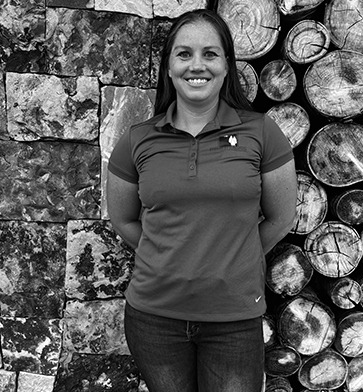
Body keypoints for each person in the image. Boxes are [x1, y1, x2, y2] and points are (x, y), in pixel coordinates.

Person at [107, 8, 297, 392]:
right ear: (169, 67)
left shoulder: (261, 132)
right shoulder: (137, 139)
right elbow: (124, 220)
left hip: (234, 320)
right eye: (184, 54)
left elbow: (281, 217)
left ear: (227, 66)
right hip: (153, 320)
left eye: (210, 54)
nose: (197, 65)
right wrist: (168, 257)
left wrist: (233, 257)